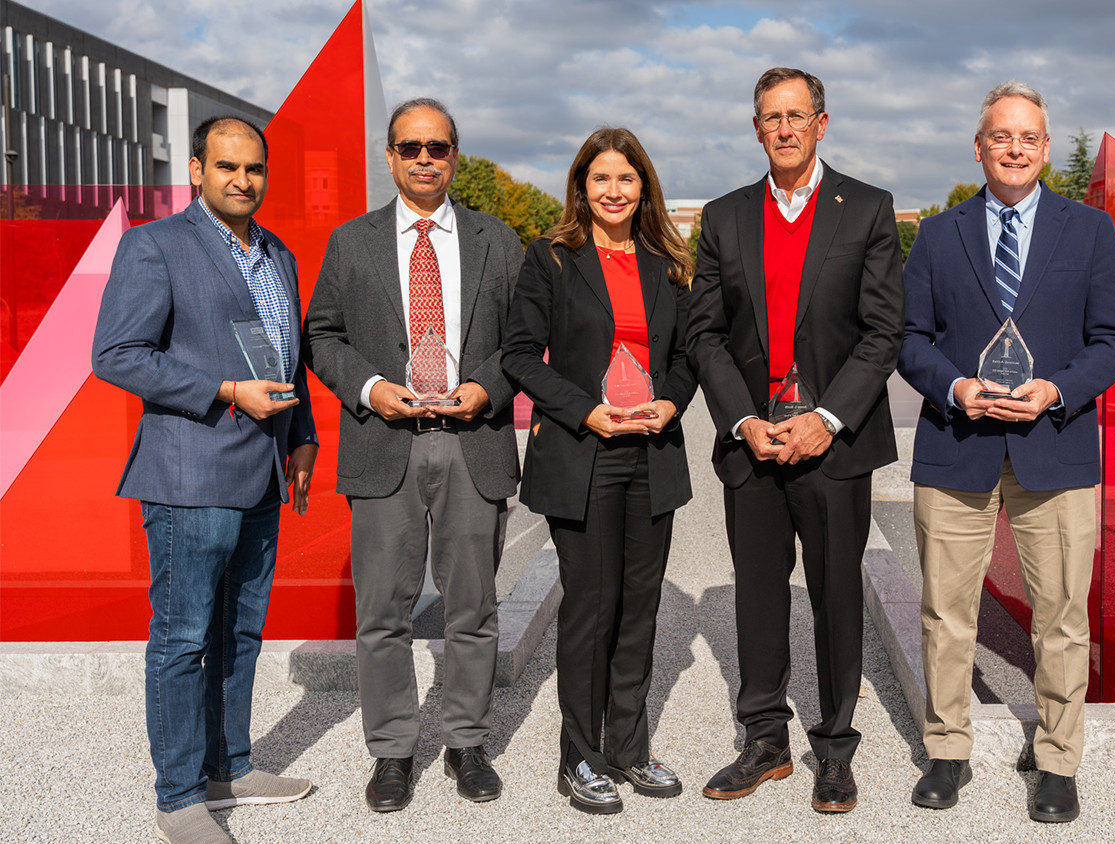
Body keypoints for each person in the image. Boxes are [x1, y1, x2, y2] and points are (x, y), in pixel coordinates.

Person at [896, 81, 1115, 821]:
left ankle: (1058, 759)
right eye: (1002, 136)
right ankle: (947, 749)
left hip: (1053, 447)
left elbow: (1114, 342)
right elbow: (909, 341)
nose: (1017, 148)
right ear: (979, 147)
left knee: (1061, 615)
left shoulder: (1088, 232)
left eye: (1030, 137)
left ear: (1042, 146)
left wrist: (1056, 391)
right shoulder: (940, 234)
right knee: (946, 611)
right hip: (956, 445)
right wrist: (957, 387)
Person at [92, 116, 318, 844]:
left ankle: (230, 768)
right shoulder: (154, 246)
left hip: (262, 476)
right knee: (184, 639)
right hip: (189, 477)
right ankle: (180, 797)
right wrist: (222, 390)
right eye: (226, 167)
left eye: (254, 168)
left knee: (241, 632)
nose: (242, 180)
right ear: (195, 170)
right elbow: (118, 354)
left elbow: (288, 354)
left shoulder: (277, 252)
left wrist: (304, 437)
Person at [687, 67, 903, 814]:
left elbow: (883, 333)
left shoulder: (868, 209)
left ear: (821, 122)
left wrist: (827, 419)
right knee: (757, 596)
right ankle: (765, 740)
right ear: (756, 129)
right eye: (770, 117)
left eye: (796, 115)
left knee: (837, 597)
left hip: (833, 444)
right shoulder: (722, 217)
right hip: (753, 443)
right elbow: (704, 334)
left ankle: (836, 748)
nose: (784, 128)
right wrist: (744, 421)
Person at [303, 98, 523, 813]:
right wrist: (370, 387)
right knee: (383, 613)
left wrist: (485, 389)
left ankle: (465, 740)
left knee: (473, 607)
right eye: (411, 147)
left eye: (438, 146)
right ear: (389, 156)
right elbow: (323, 336)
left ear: (455, 155)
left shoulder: (498, 239)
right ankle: (393, 751)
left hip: (473, 443)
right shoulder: (351, 242)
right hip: (384, 444)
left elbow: (524, 340)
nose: (425, 158)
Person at [502, 127, 697, 815]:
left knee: (639, 609)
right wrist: (587, 412)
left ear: (644, 186)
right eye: (601, 179)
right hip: (583, 453)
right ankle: (580, 758)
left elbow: (687, 355)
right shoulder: (551, 258)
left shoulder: (668, 261)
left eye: (627, 178)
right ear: (581, 187)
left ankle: (629, 747)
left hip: (652, 452)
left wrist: (671, 401)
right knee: (590, 607)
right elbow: (521, 355)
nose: (614, 191)